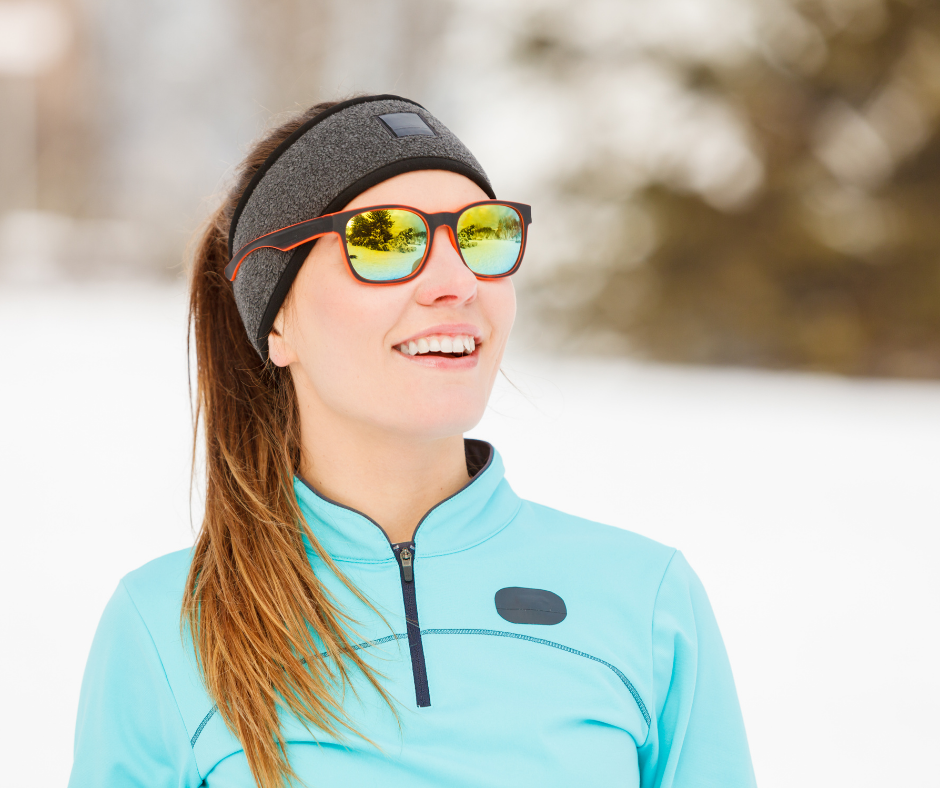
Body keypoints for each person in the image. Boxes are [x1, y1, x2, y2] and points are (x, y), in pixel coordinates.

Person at [68, 95, 756, 788]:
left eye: (483, 236)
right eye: (384, 239)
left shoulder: (644, 597)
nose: (458, 284)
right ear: (276, 323)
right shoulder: (167, 626)